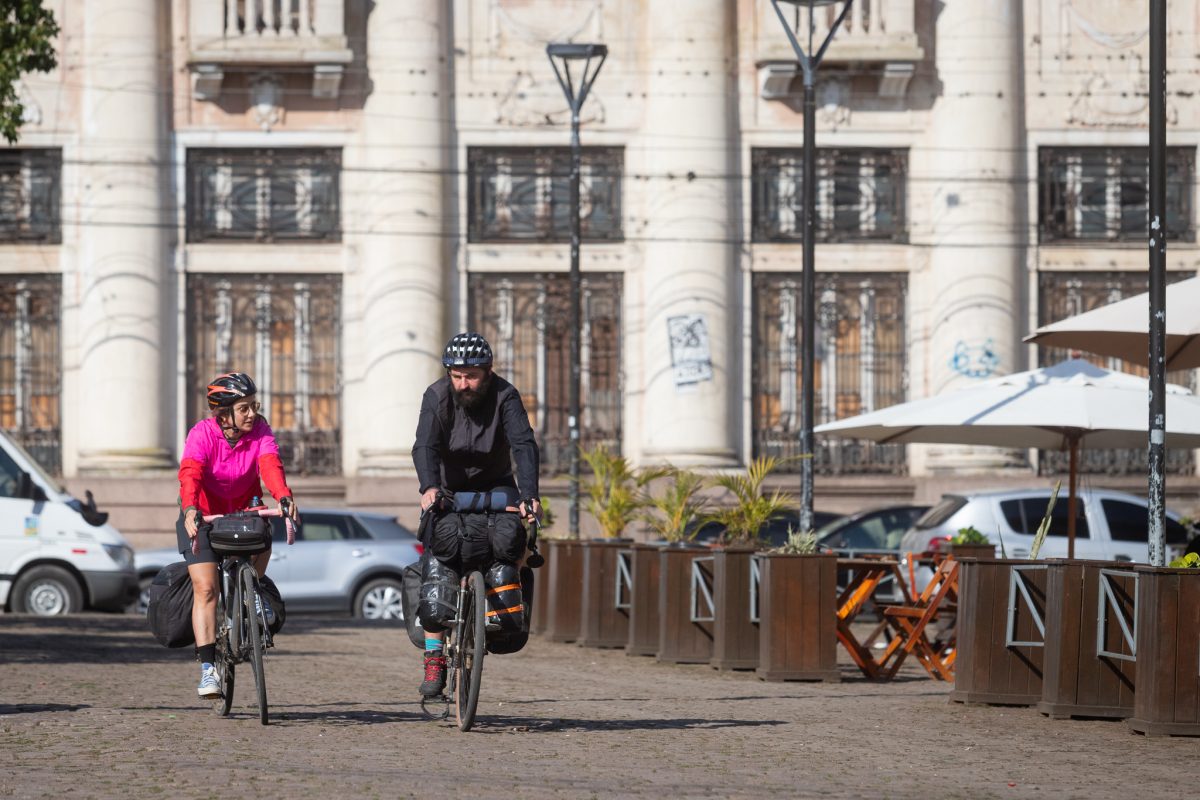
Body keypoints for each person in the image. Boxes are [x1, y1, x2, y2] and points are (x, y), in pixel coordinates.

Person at [411, 332, 542, 696]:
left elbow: (524, 445)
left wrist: (530, 495)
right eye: (457, 375)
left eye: (471, 375)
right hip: (448, 487)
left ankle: (498, 609)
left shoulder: (506, 396)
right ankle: (434, 656)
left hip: (496, 485)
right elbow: (425, 445)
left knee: (511, 537)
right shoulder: (436, 396)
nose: (463, 383)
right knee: (440, 548)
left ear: (487, 371)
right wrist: (429, 487)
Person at [177, 372, 299, 699]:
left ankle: (251, 594)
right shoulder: (201, 434)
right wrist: (190, 508)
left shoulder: (260, 431)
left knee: (265, 529)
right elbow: (190, 473)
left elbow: (270, 465)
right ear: (224, 413)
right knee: (205, 589)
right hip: (203, 515)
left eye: (253, 406)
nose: (252, 414)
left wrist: (283, 496)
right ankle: (207, 671)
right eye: (244, 408)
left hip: (244, 512)